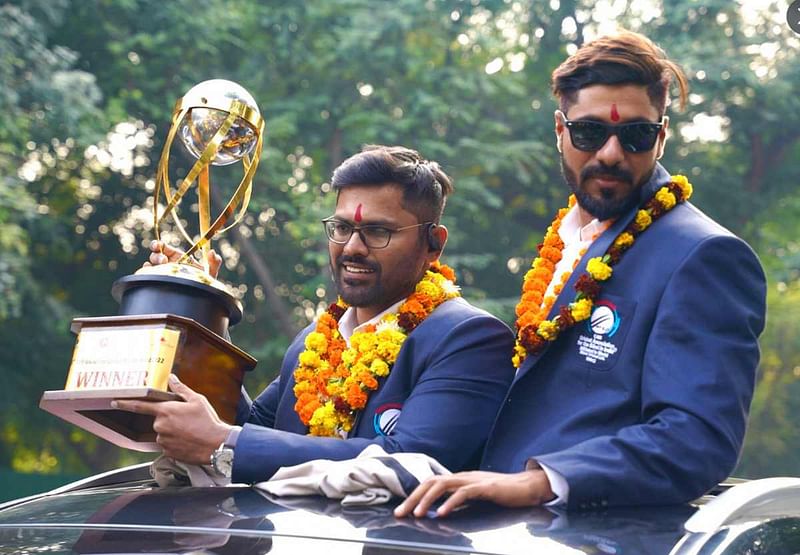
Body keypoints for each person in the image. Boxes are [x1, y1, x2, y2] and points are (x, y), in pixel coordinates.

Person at [395, 30, 767, 517]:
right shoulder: (569, 238)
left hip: (589, 535)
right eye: (590, 132)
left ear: (662, 135)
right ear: (559, 129)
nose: (611, 153)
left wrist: (542, 482)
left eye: (635, 135)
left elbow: (696, 438)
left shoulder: (704, 256)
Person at [114, 145, 516, 483]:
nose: (352, 247)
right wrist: (201, 309)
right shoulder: (314, 341)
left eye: (378, 232)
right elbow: (253, 426)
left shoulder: (469, 338)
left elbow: (406, 461)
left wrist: (225, 443)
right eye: (340, 228)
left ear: (433, 244)